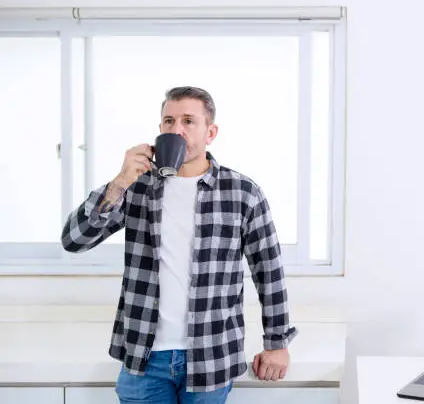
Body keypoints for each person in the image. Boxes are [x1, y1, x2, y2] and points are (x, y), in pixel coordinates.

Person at [61, 86, 297, 404]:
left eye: (188, 120)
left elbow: (268, 271)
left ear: (210, 132)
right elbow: (74, 240)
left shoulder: (242, 192)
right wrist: (119, 181)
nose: (177, 129)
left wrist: (277, 342)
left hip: (211, 356)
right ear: (159, 130)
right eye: (169, 121)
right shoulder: (136, 188)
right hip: (144, 359)